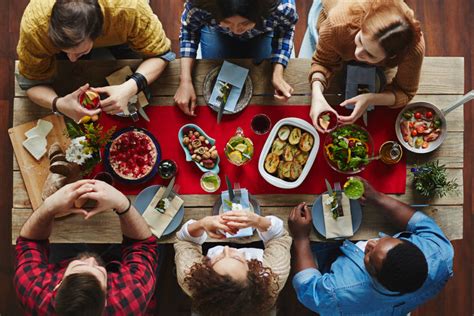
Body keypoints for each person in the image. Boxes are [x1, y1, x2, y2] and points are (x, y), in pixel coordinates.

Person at [288, 178, 454, 315]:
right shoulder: (441, 254)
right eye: (384, 240)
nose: (372, 242)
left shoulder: (338, 293)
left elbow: (307, 286)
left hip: (333, 265)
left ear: (373, 275)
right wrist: (376, 197)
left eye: (369, 254)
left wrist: (300, 237)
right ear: (410, 244)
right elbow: (418, 222)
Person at [14, 180, 161, 315]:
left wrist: (50, 207)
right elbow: (142, 245)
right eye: (99, 272)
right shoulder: (130, 298)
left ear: (57, 288)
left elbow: (29, 242)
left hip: (63, 260)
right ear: (105, 301)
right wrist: (122, 204)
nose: (91, 259)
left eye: (78, 267)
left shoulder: (33, 292)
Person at [17, 0, 174, 122]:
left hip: (123, 35)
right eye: (66, 52)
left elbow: (162, 54)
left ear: (100, 32)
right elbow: (31, 83)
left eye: (80, 52)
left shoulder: (130, 11)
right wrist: (58, 104)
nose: (72, 60)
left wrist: (130, 87)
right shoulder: (35, 28)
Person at [307, 0, 425, 131]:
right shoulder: (337, 25)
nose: (357, 53)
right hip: (334, 22)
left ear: (392, 56)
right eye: (360, 40)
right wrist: (317, 95)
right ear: (362, 24)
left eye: (370, 54)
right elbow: (322, 62)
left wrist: (371, 99)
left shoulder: (412, 50)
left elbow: (405, 91)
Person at [174, 0, 298, 116]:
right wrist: (185, 80)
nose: (236, 31)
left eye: (245, 23)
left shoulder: (283, 8)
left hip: (261, 34)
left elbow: (285, 31)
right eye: (227, 23)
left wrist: (277, 73)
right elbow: (189, 31)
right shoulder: (199, 4)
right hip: (218, 33)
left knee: (262, 80)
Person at [174, 211, 291, 315]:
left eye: (217, 259)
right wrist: (258, 221)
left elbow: (185, 241)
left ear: (205, 273)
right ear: (254, 274)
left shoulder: (191, 277)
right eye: (238, 259)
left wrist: (201, 224)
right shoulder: (274, 275)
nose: (226, 248)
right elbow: (279, 238)